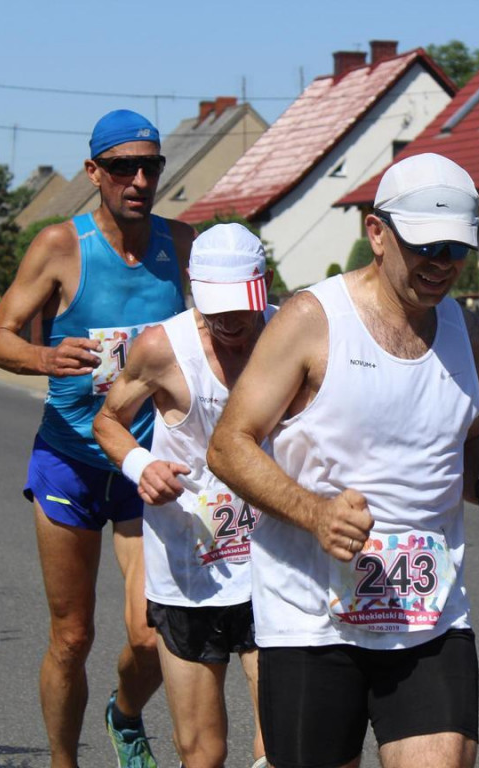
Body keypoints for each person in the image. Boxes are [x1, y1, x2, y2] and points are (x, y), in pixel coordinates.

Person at [206, 152, 479, 768]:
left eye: (456, 249)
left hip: (427, 613)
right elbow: (228, 444)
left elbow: (464, 440)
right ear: (377, 234)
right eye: (425, 246)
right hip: (312, 617)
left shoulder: (470, 334)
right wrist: (314, 513)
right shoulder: (312, 320)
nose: (443, 265)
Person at [0, 109, 192, 768]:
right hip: (70, 460)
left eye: (149, 166)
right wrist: (46, 359)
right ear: (93, 171)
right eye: (122, 167)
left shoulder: (181, 246)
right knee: (72, 636)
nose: (137, 179)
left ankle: (124, 714)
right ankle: (62, 761)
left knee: (151, 633)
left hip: (144, 464)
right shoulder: (60, 247)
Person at [92, 223, 273, 768]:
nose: (232, 326)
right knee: (203, 752)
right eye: (218, 311)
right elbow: (109, 422)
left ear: (263, 287)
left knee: (282, 744)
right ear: (194, 287)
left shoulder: (288, 335)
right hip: (190, 570)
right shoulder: (161, 348)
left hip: (271, 563)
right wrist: (141, 464)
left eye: (243, 311)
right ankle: (122, 715)